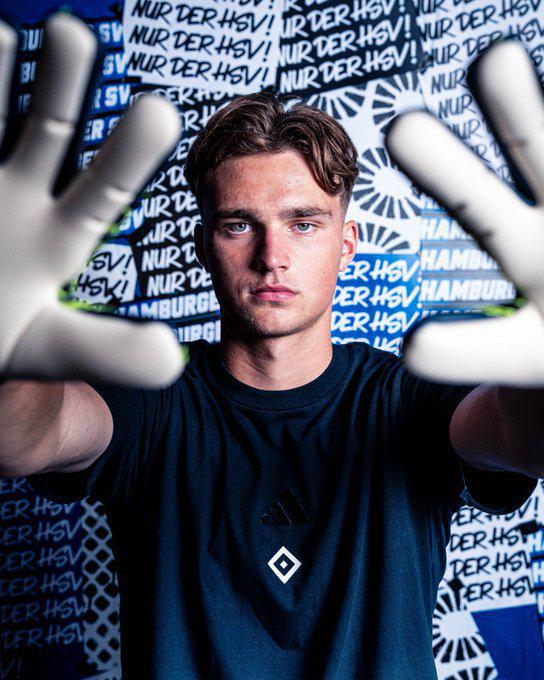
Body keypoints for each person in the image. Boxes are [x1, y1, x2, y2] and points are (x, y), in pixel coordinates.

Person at [0, 11, 542, 680]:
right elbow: (24, 440)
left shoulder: (409, 399)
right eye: (238, 225)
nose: (272, 256)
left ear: (346, 243)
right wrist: (8, 345)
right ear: (203, 246)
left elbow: (523, 437)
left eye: (303, 222)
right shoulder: (151, 398)